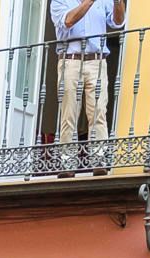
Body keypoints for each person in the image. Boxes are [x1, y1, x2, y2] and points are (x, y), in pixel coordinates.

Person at [47, 0, 126, 172]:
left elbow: (118, 21)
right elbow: (67, 21)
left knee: (98, 111)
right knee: (69, 113)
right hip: (70, 60)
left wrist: (118, 2)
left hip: (97, 61)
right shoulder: (60, 1)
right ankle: (67, 162)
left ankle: (98, 160)